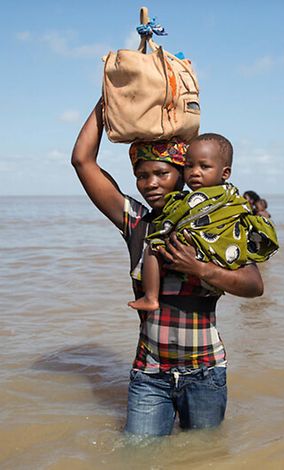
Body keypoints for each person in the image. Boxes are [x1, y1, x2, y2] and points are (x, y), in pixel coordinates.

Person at [72, 99, 265, 437]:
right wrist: (106, 104)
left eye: (161, 173)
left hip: (205, 372)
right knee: (139, 454)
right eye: (141, 176)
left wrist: (201, 268)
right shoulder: (138, 224)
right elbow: (82, 161)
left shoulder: (215, 223)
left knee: (203, 455)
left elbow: (253, 285)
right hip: (150, 375)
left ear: (183, 175)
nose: (150, 184)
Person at [128, 134, 278, 312]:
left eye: (204, 166)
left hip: (205, 336)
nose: (195, 172)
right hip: (151, 339)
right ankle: (151, 298)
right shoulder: (178, 206)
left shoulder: (227, 208)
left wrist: (200, 267)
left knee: (154, 246)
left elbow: (255, 286)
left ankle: (151, 297)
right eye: (189, 166)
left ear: (225, 173)